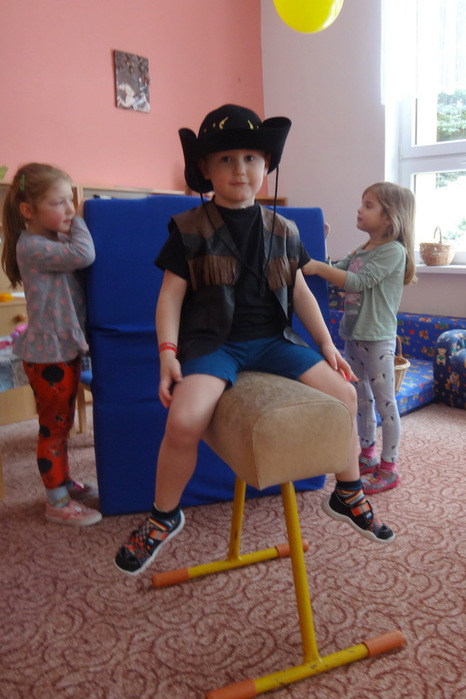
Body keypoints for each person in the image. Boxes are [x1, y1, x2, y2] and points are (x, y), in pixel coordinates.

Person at [115, 104, 395, 576]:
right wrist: (167, 353)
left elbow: (301, 293)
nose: (240, 169)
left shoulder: (284, 230)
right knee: (183, 420)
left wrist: (327, 347)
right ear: (205, 169)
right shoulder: (187, 229)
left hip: (273, 340)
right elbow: (169, 299)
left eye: (250, 158)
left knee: (345, 395)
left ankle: (347, 493)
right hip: (213, 344)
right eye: (225, 159)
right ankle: (164, 515)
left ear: (267, 165)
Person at [1, 163, 101, 526]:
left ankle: (63, 482)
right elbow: (84, 255)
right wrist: (84, 219)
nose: (70, 209)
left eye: (70, 200)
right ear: (28, 211)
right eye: (59, 203)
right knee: (53, 429)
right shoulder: (32, 245)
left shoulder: (51, 241)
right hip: (49, 356)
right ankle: (56, 502)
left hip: (61, 349)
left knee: (61, 423)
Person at [303, 182, 416, 494]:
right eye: (362, 203)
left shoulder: (393, 251)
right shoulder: (361, 250)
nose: (359, 209)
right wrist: (320, 243)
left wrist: (318, 267)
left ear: (389, 218)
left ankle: (389, 468)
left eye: (368, 205)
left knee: (385, 402)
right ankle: (367, 455)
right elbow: (332, 272)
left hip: (377, 339)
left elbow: (356, 282)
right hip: (353, 335)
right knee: (361, 399)